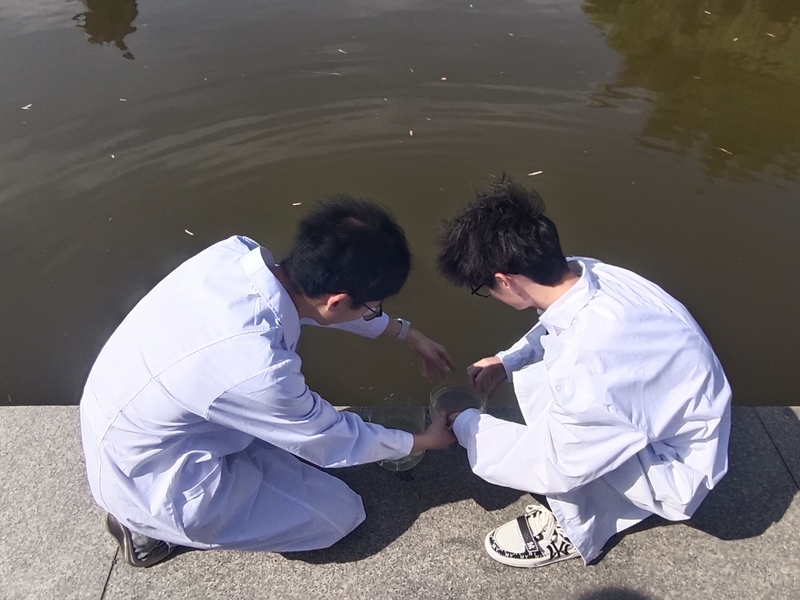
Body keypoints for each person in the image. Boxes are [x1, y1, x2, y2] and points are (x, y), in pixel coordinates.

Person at [80, 196, 457, 567]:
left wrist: (407, 334)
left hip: (139, 423)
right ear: (338, 300)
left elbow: (317, 309)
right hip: (155, 478)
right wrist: (425, 440)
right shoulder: (256, 367)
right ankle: (144, 529)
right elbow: (330, 439)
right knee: (340, 515)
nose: (374, 313)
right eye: (374, 307)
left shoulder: (235, 255)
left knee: (288, 441)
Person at [437, 179, 731, 568]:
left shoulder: (593, 360)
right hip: (681, 414)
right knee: (546, 381)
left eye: (484, 287)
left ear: (505, 281)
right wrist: (508, 361)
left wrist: (465, 427)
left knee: (564, 449)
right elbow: (557, 327)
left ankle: (576, 527)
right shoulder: (587, 271)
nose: (489, 293)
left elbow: (555, 461)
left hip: (676, 466)